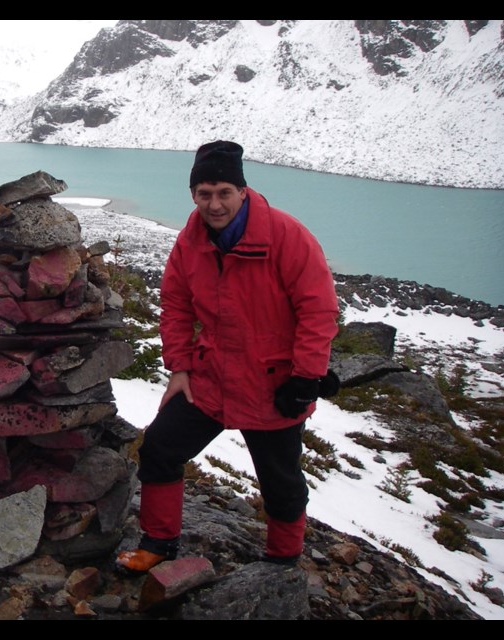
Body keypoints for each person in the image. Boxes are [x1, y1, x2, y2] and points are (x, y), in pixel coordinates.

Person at [116, 141, 339, 572]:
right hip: (211, 378)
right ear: (193, 195)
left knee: (281, 481)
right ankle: (157, 544)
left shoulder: (287, 236)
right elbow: (176, 304)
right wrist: (179, 367)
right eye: (204, 194)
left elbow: (318, 309)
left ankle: (282, 559)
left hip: (273, 383)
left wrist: (306, 377)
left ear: (242, 190)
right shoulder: (191, 241)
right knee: (161, 447)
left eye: (223, 192)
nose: (214, 204)